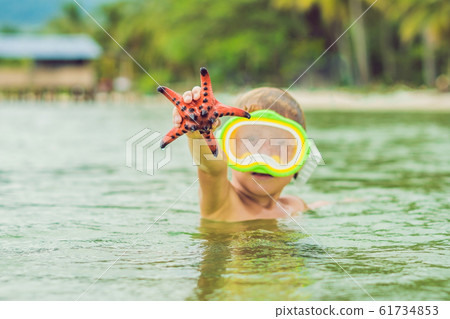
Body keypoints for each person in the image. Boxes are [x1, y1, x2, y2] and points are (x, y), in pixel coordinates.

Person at [173, 86, 318, 222]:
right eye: (251, 141)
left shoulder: (295, 206)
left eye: (279, 144)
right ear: (227, 147)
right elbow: (211, 169)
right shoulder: (223, 203)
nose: (263, 156)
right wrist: (199, 133)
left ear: (300, 159)